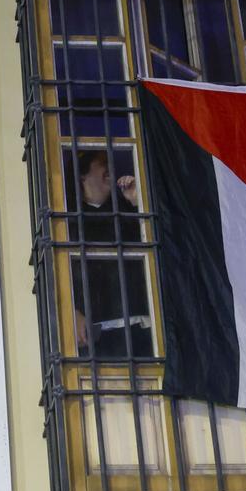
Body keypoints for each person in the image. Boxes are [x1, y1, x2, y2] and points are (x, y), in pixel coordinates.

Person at [70, 149, 152, 359]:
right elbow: (66, 271)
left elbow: (150, 248)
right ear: (83, 175)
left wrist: (135, 202)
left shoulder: (124, 208)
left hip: (140, 324)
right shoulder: (69, 220)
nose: (110, 168)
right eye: (102, 163)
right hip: (99, 331)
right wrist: (74, 309)